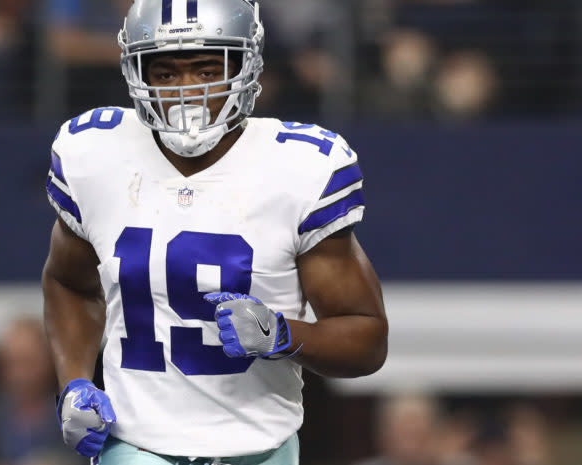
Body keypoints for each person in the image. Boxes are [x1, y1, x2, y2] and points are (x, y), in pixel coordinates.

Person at [41, 1, 388, 464]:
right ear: (135, 73)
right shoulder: (95, 153)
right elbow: (68, 282)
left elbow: (366, 337)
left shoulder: (302, 167)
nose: (186, 90)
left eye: (206, 70)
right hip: (135, 446)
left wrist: (284, 335)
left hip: (260, 450)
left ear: (247, 66)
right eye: (164, 74)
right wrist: (75, 382)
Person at [0, 316, 83, 465]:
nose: (20, 374)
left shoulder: (74, 413)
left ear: (50, 362)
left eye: (28, 363)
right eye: (11, 363)